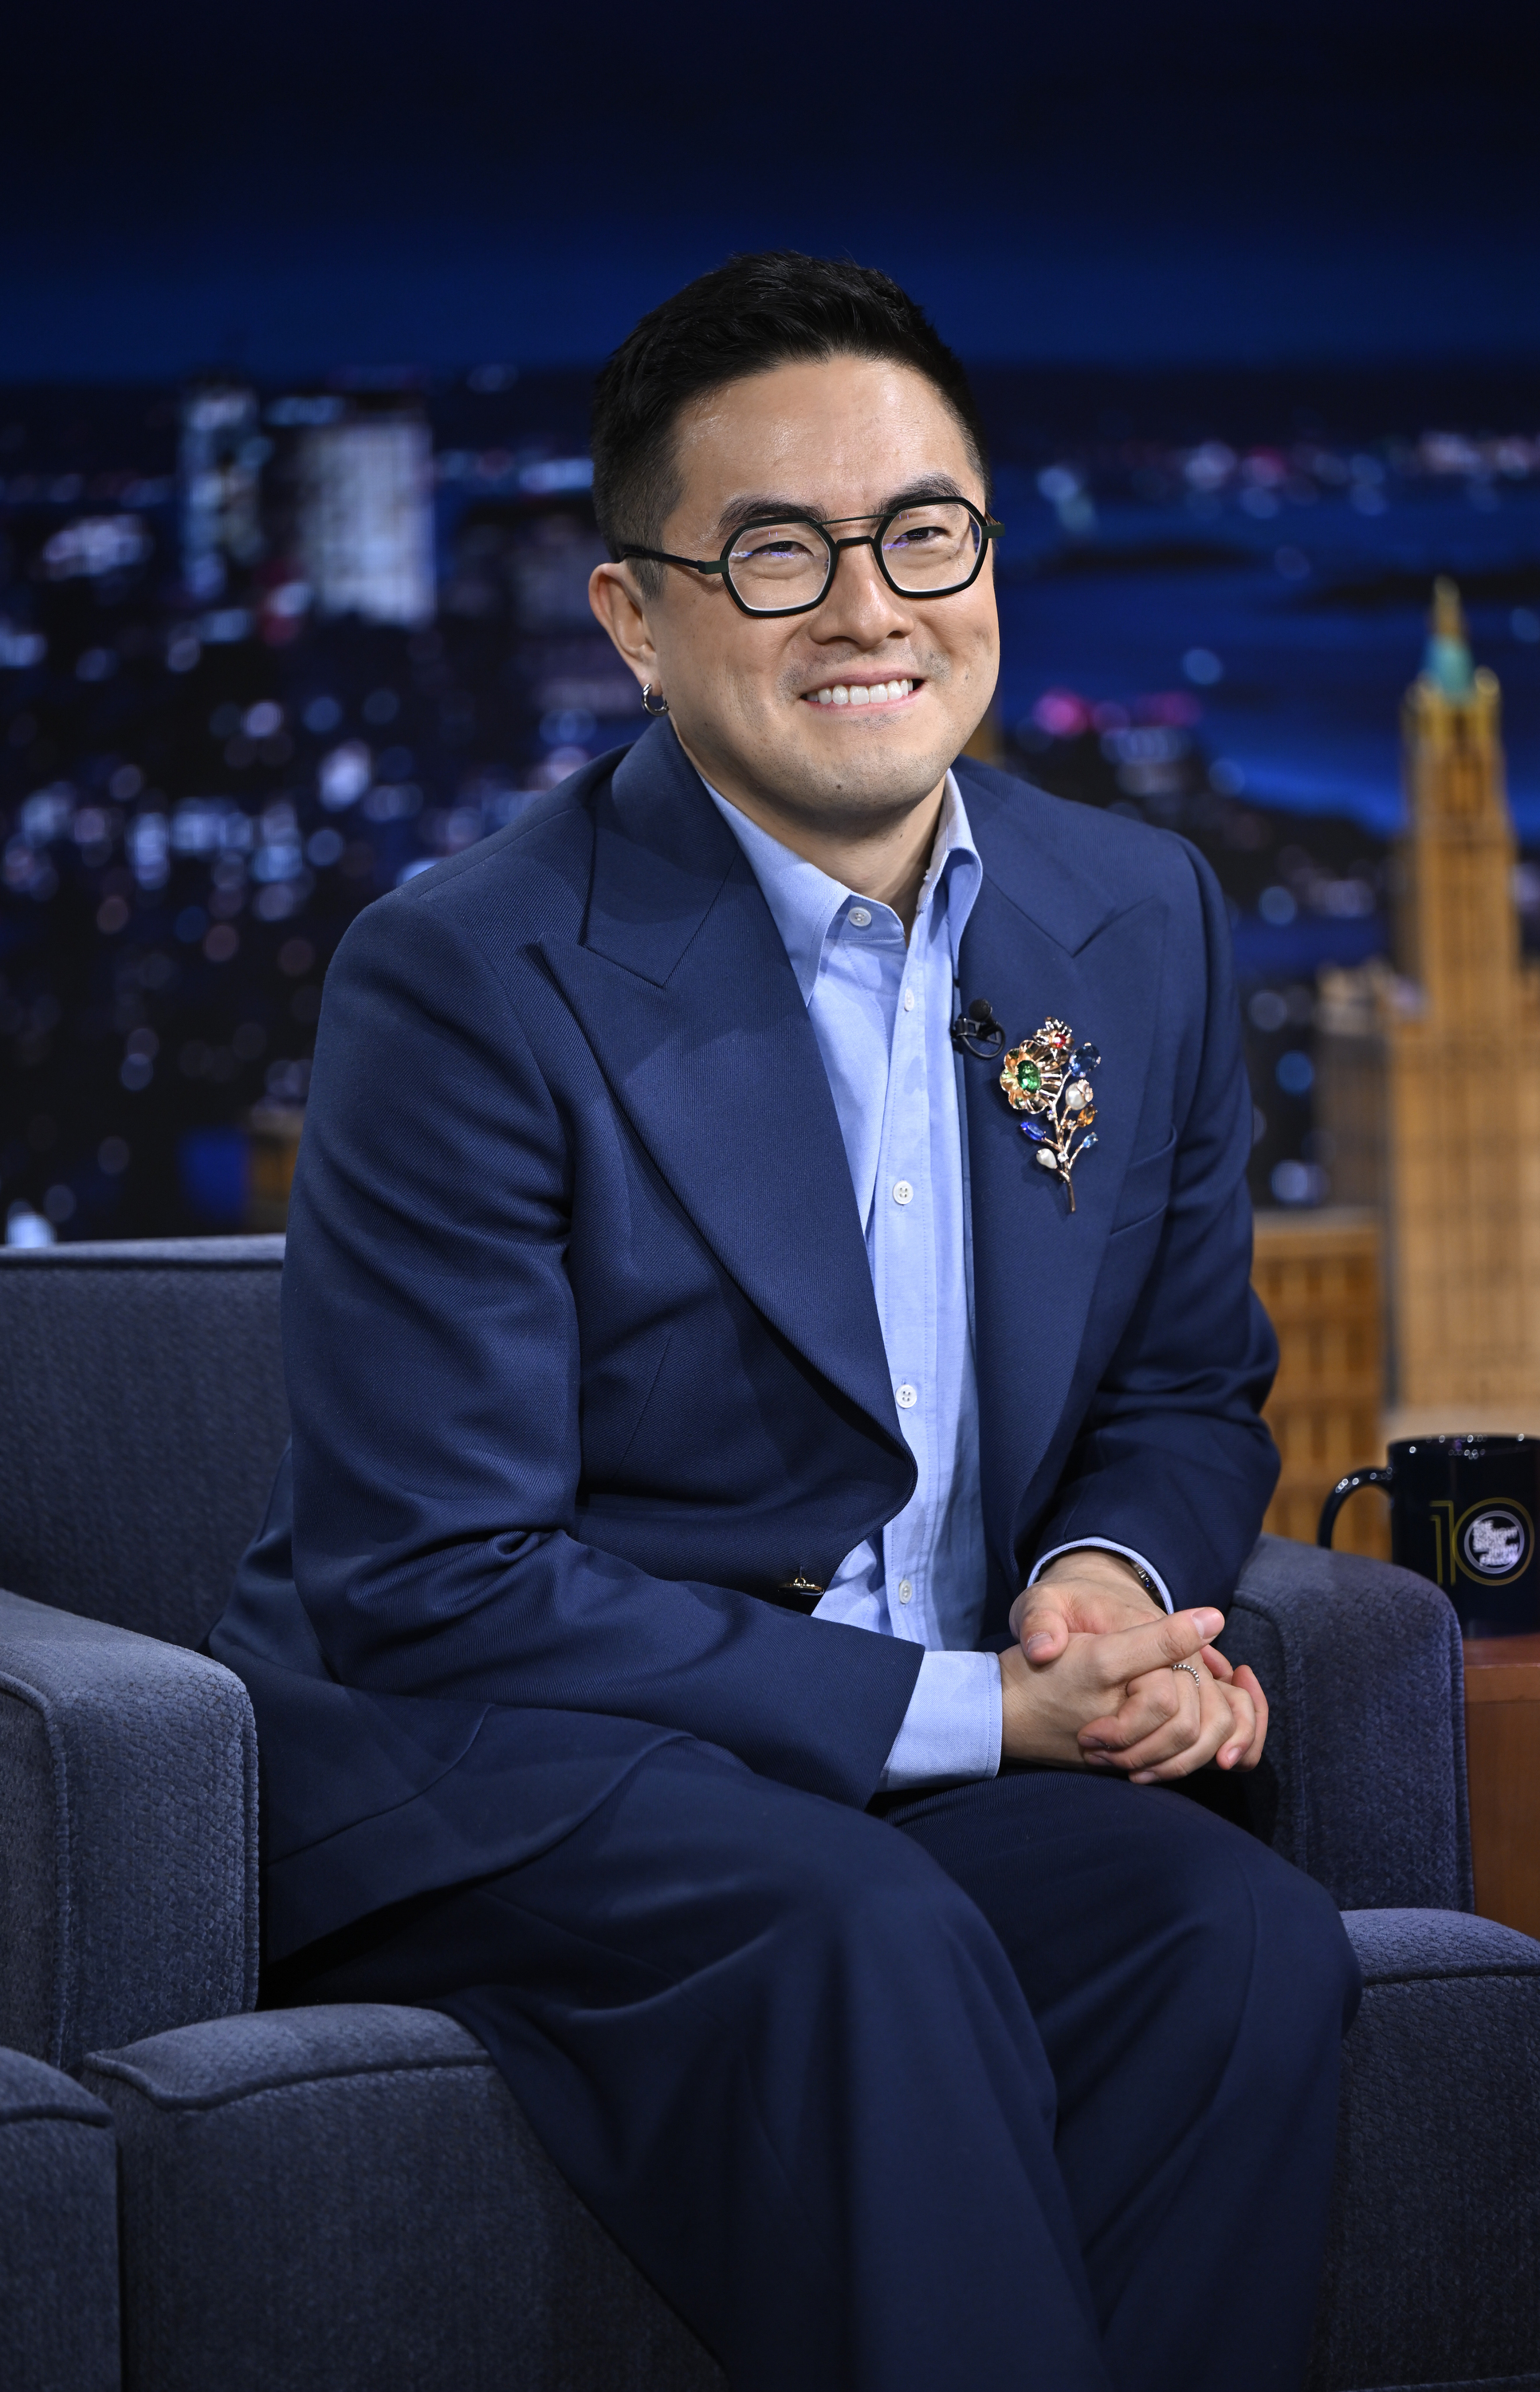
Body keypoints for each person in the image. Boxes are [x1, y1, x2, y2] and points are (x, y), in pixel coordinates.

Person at [212, 251, 1359, 2392]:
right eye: (775, 552)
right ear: (635, 615)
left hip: (903, 1776)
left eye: (925, 531)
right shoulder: (465, 975)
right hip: (523, 1761)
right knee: (873, 1942)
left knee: (1238, 1941)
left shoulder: (1142, 918)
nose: (871, 607)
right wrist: (985, 1720)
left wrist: (1102, 1587)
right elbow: (438, 1582)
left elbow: (1191, 1390)